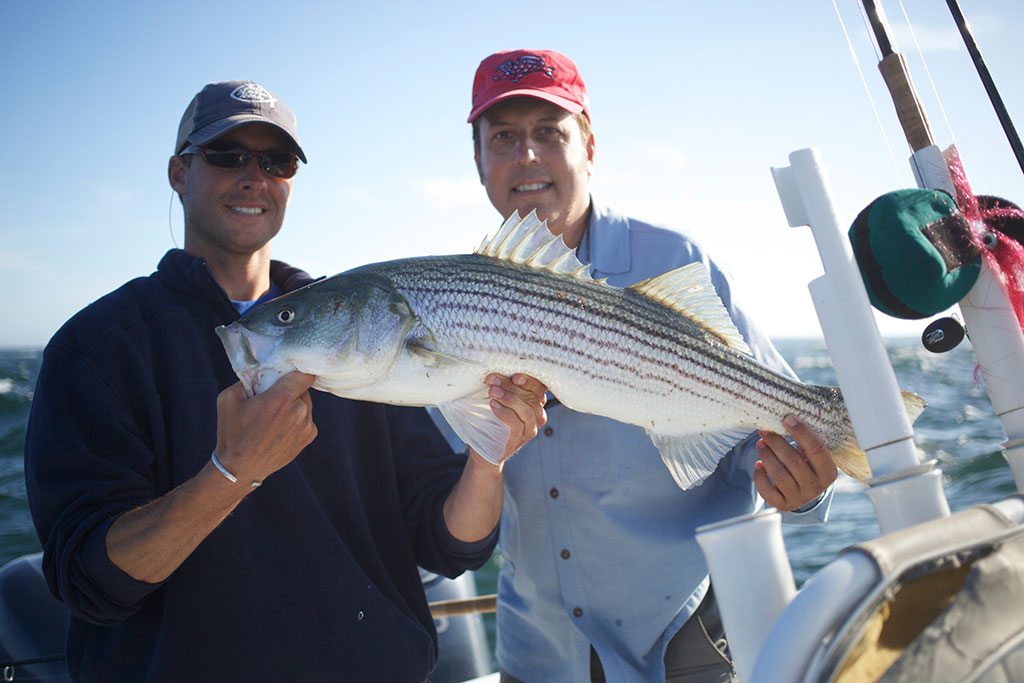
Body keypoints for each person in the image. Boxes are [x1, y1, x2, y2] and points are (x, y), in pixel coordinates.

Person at [23, 80, 547, 683]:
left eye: (276, 161)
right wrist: (228, 475)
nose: (254, 176)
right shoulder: (97, 348)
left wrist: (489, 457)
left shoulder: (361, 324)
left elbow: (448, 544)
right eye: (227, 155)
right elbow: (87, 580)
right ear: (178, 173)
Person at [464, 49, 838, 682]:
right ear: (477, 161)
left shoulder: (673, 257)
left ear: (589, 145)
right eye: (503, 137)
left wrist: (802, 483)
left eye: (548, 133)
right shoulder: (460, 295)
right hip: (539, 646)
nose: (525, 155)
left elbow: (758, 417)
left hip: (683, 630)